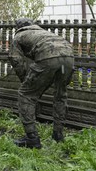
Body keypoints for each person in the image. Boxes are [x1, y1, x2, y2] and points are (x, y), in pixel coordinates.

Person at [8, 18, 74, 149]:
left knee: (25, 95)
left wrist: (25, 79)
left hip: (48, 57)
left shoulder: (19, 35)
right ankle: (58, 134)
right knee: (60, 95)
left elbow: (15, 59)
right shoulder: (43, 33)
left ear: (18, 27)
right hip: (68, 57)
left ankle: (32, 138)